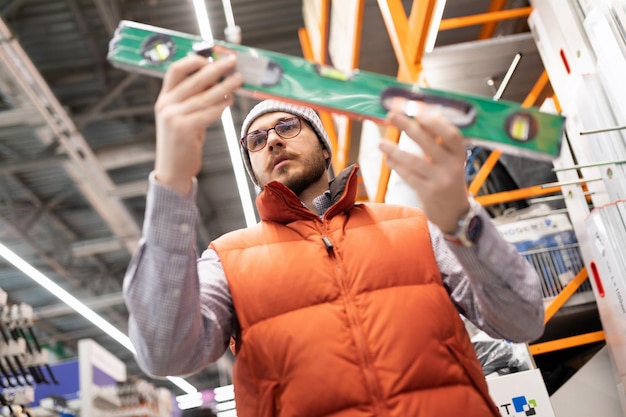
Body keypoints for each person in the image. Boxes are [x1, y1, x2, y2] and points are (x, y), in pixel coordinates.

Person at [123, 53, 545, 417]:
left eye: (287, 126)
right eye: (255, 139)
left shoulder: (414, 227)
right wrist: (172, 183)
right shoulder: (228, 259)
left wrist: (461, 219)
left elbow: (522, 320)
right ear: (252, 169)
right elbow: (165, 351)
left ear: (324, 147)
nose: (271, 140)